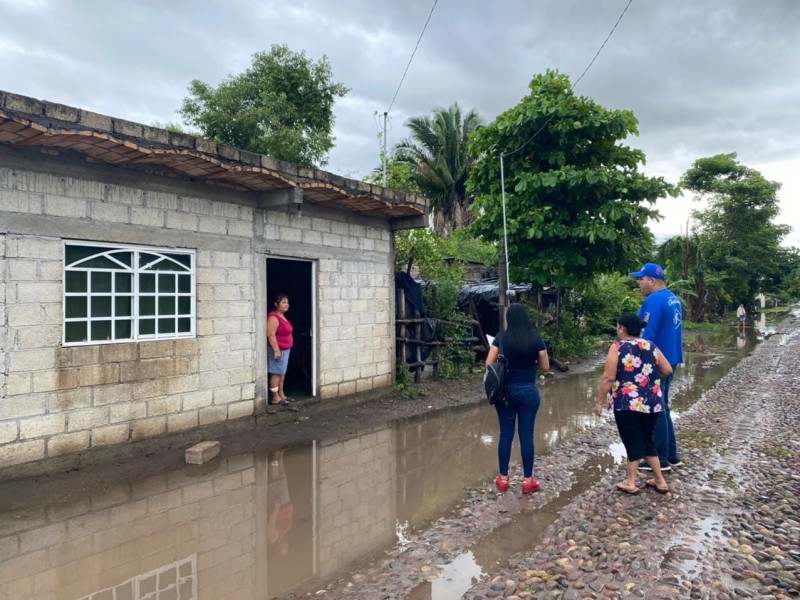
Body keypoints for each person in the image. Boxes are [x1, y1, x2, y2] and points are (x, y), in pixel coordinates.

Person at [595, 313, 673, 494]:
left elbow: (608, 378)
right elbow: (667, 369)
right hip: (652, 402)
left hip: (626, 403)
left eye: (617, 326)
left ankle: (631, 482)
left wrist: (599, 402)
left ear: (622, 328)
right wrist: (648, 380)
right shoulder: (650, 345)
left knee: (633, 441)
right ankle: (660, 481)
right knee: (647, 440)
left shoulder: (617, 347)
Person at [485, 303, 550, 494]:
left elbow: (489, 364)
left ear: (509, 319)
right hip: (528, 391)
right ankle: (528, 480)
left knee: (505, 434)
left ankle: (503, 479)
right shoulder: (535, 339)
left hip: (504, 393)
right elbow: (545, 366)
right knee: (526, 435)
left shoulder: (501, 338)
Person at [631, 262, 683, 472]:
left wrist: (634, 365)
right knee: (664, 405)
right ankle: (671, 454)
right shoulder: (673, 298)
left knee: (657, 408)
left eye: (641, 279)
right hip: (672, 358)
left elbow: (645, 336)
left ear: (652, 280)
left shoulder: (653, 301)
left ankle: (660, 458)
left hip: (657, 362)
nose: (638, 282)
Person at [267, 292, 294, 406]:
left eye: (287, 302)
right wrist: (276, 350)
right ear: (275, 304)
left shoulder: (282, 316)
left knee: (281, 373)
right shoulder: (273, 317)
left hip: (285, 350)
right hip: (278, 350)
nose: (286, 304)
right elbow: (271, 334)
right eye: (283, 302)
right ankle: (274, 397)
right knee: (276, 373)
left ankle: (281, 394)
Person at [267, 449, 293, 557]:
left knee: (275, 480)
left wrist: (276, 507)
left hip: (280, 506)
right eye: (287, 548)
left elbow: (271, 523)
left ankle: (274, 457)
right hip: (285, 505)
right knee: (283, 478)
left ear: (278, 549)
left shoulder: (274, 539)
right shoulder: (282, 537)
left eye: (284, 549)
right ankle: (280, 455)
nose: (286, 546)